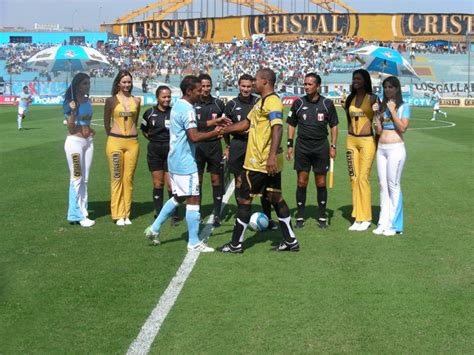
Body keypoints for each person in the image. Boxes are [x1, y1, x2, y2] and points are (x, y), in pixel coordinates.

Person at [218, 68, 300, 253]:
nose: (253, 83)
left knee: (244, 199)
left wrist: (271, 156)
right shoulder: (260, 103)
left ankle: (235, 244)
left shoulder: (272, 101)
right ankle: (290, 241)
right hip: (264, 161)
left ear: (265, 81)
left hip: (260, 161)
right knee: (275, 197)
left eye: (255, 80)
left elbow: (277, 128)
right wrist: (225, 130)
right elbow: (246, 123)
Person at [144, 75, 229, 252]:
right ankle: (193, 242)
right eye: (198, 90)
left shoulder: (178, 106)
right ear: (190, 91)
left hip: (174, 159)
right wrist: (216, 132)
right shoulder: (188, 108)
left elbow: (192, 125)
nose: (201, 93)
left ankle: (154, 228)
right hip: (185, 161)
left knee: (179, 196)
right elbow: (194, 136)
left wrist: (215, 121)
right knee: (193, 198)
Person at [223, 74, 278, 230]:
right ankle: (241, 218)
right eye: (243, 86)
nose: (246, 89)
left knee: (264, 184)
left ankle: (268, 217)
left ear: (252, 86)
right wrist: (227, 146)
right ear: (238, 86)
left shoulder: (258, 101)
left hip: (258, 148)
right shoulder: (231, 105)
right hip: (238, 147)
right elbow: (226, 130)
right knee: (240, 182)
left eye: (248, 86)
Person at [286, 73, 339, 229]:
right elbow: (291, 124)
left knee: (320, 181)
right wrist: (289, 144)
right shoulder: (298, 103)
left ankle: (322, 216)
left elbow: (334, 126)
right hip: (302, 147)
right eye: (305, 84)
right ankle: (300, 216)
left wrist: (333, 145)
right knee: (302, 181)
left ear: (318, 86)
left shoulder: (327, 104)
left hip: (321, 147)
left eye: (310, 84)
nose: (306, 87)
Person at [373, 76, 410, 236]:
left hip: (396, 148)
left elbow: (403, 128)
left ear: (397, 88)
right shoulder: (382, 106)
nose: (388, 89)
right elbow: (379, 131)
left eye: (391, 87)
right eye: (385, 87)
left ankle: (395, 225)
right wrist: (376, 115)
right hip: (381, 148)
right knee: (382, 185)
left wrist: (393, 110)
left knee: (393, 185)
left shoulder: (403, 106)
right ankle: (383, 222)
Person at [104, 70, 141, 226]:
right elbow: (107, 123)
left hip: (132, 143)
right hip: (115, 142)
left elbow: (136, 119)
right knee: (117, 178)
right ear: (118, 83)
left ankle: (126, 213)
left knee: (128, 179)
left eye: (129, 82)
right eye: (124, 82)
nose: (127, 85)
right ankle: (118, 214)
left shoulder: (137, 100)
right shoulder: (111, 101)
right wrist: (112, 136)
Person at [343, 69, 378, 231]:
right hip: (351, 141)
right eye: (354, 78)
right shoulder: (350, 98)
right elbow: (348, 121)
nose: (355, 81)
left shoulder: (372, 98)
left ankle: (366, 217)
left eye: (358, 78)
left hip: (367, 142)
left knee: (363, 178)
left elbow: (379, 122)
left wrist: (378, 111)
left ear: (365, 80)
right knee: (353, 178)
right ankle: (357, 217)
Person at [140, 85, 179, 226]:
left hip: (170, 152)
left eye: (169, 96)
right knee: (158, 183)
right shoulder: (149, 113)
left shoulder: (174, 112)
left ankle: (174, 214)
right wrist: (154, 140)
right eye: (164, 97)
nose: (167, 99)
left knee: (170, 186)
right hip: (155, 151)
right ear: (157, 98)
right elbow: (144, 130)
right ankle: (158, 212)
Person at [63, 73, 95, 227]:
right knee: (76, 176)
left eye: (88, 83)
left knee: (85, 178)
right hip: (74, 143)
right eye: (84, 83)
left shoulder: (87, 99)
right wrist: (73, 112)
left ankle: (83, 210)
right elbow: (70, 126)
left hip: (88, 142)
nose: (87, 85)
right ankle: (75, 214)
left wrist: (91, 130)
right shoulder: (70, 102)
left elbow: (86, 121)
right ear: (76, 85)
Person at [194, 73, 226, 227]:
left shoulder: (219, 104)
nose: (205, 89)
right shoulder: (192, 104)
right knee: (197, 181)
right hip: (198, 146)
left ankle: (217, 215)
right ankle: (197, 213)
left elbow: (226, 125)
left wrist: (227, 145)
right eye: (203, 86)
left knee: (216, 180)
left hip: (214, 146)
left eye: (208, 86)